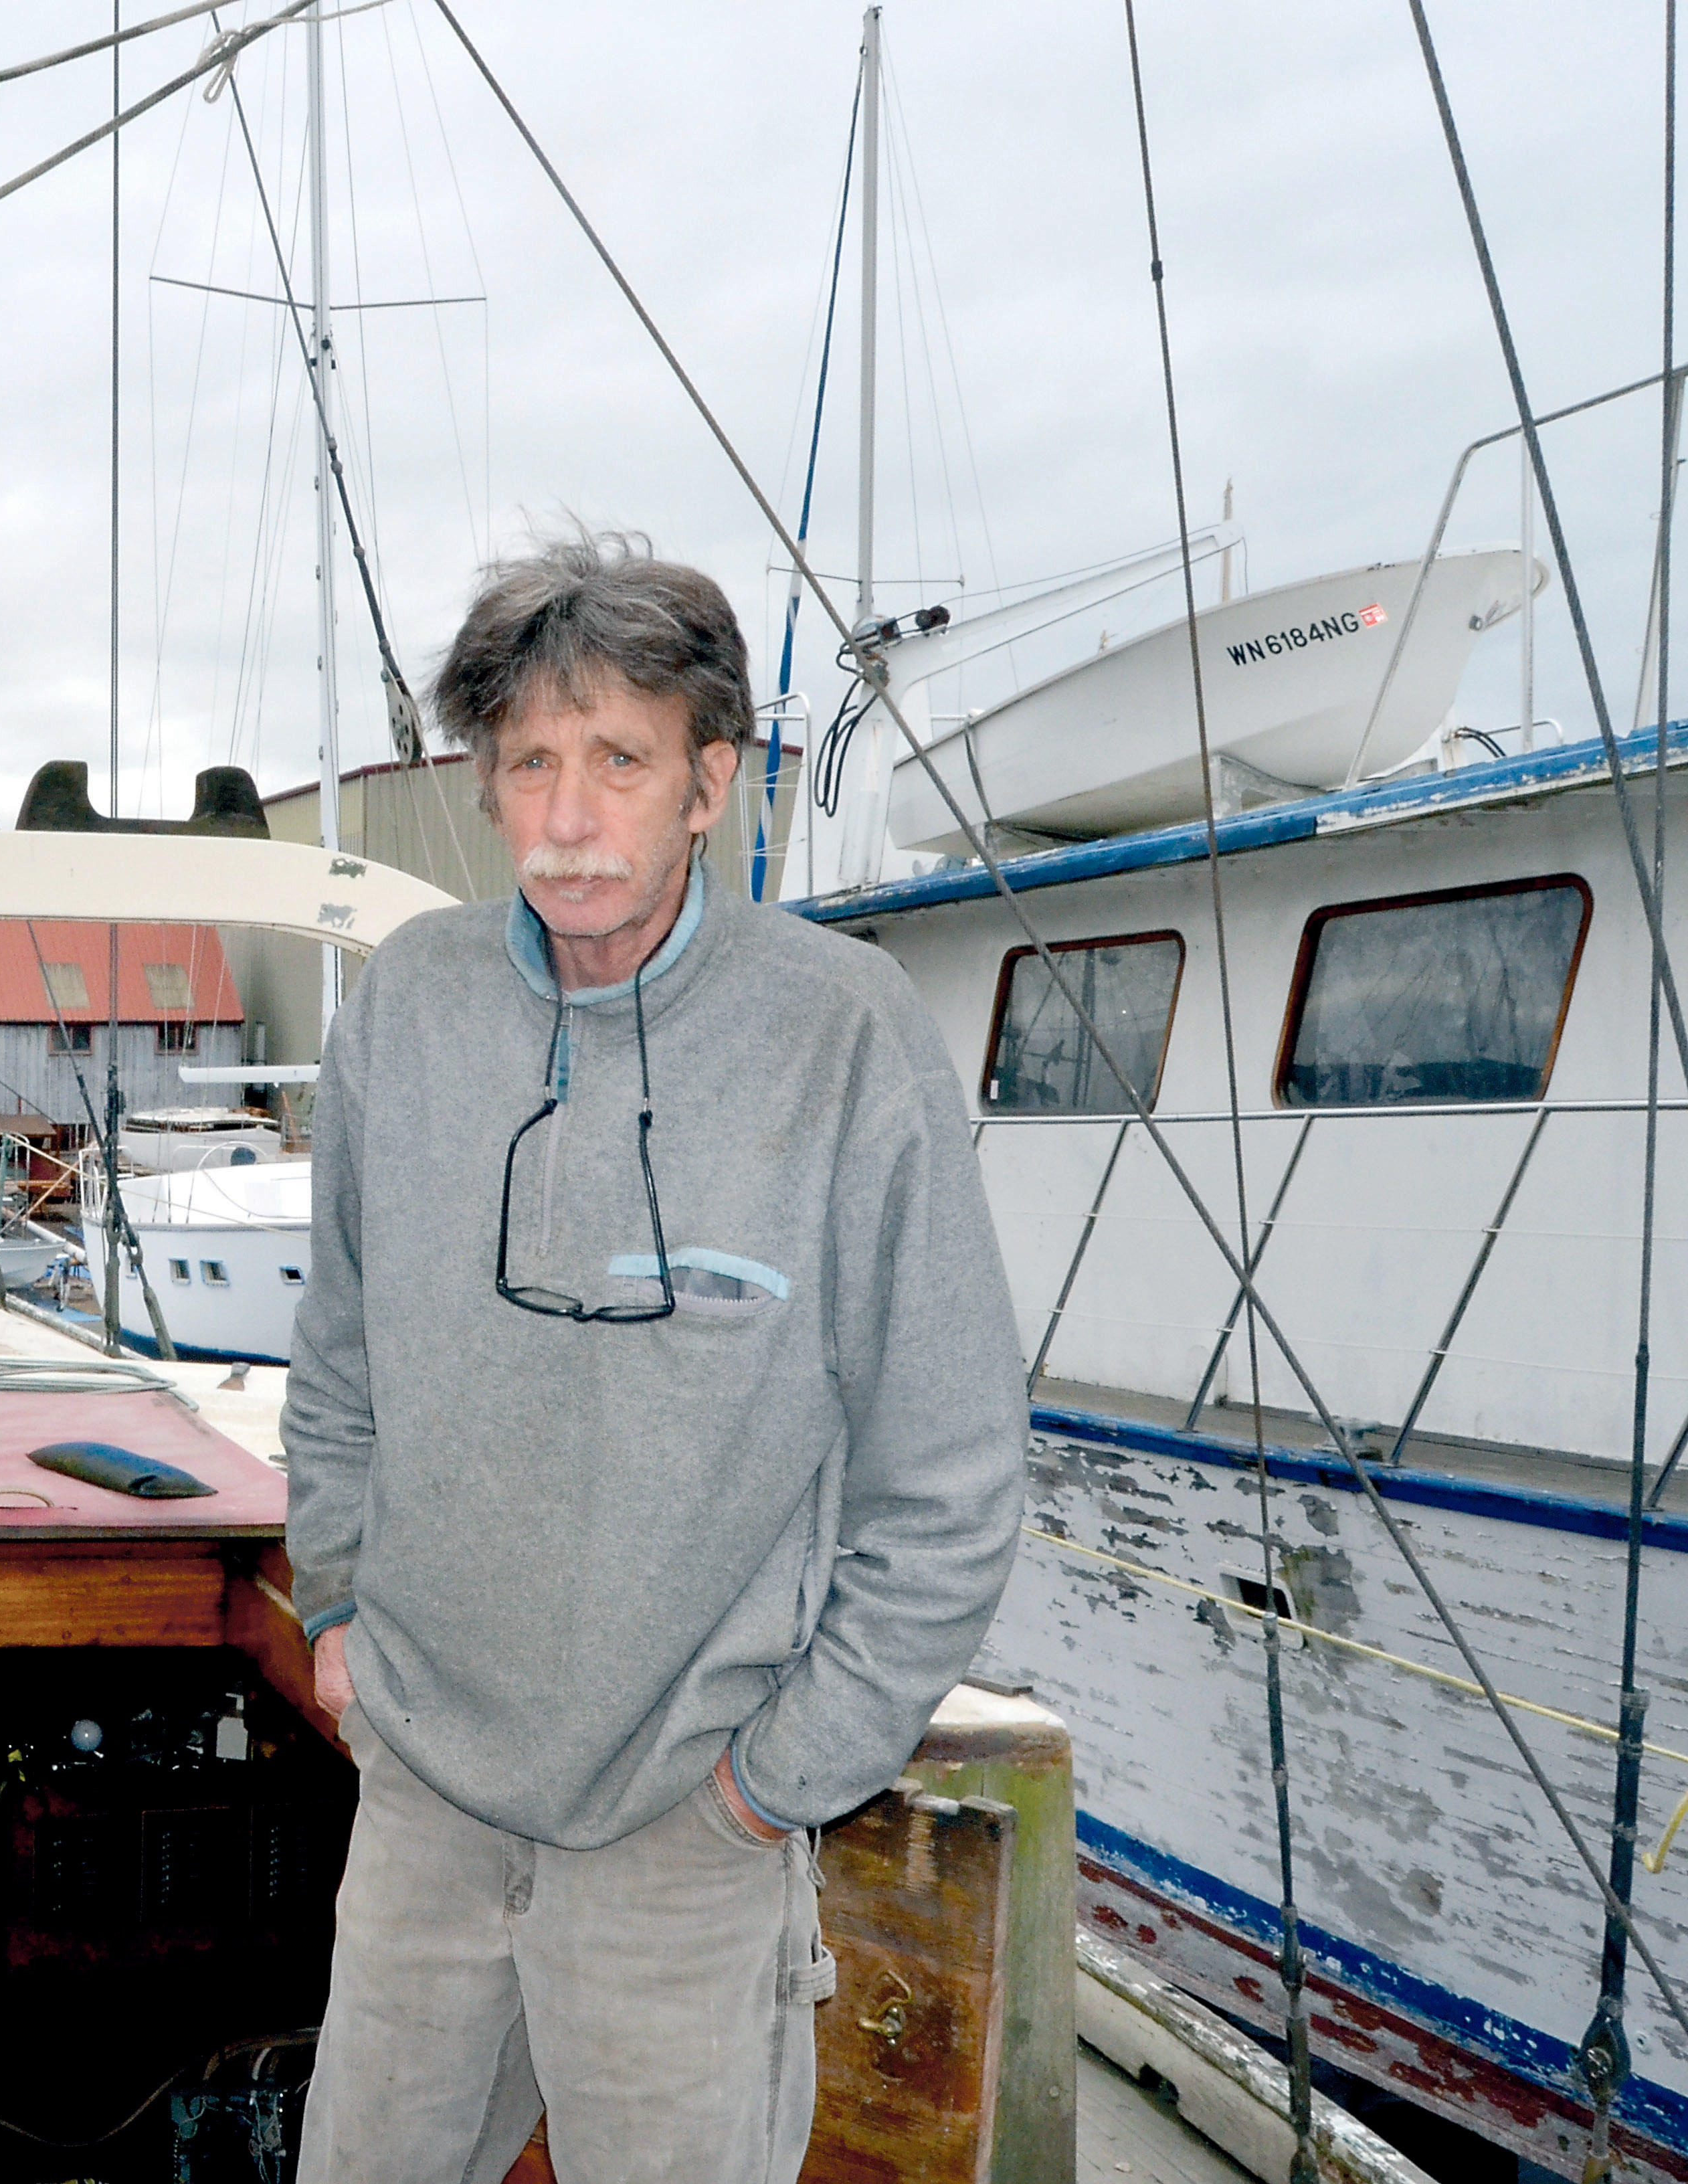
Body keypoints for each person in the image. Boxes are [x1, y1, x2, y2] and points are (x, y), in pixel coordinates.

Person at [283, 532, 1026, 2183]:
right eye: (528, 762)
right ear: (482, 785)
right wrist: (332, 1608)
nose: (563, 818)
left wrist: (776, 1786)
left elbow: (952, 1477)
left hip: (690, 1829)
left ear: (709, 781)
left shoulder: (843, 1034)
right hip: (422, 1802)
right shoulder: (404, 1006)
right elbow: (336, 1359)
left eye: (615, 760)